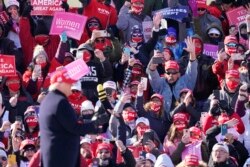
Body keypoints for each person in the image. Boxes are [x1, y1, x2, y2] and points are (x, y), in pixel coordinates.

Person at [39, 68, 108, 167]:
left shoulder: (48, 101)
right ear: (60, 83)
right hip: (61, 159)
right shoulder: (60, 102)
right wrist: (96, 123)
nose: (71, 86)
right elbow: (74, 128)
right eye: (69, 83)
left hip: (53, 156)